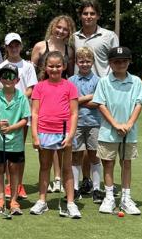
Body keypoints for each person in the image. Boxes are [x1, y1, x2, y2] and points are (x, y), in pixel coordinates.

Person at [92, 47, 142, 215]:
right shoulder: (104, 81)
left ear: (129, 62)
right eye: (116, 61)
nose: (120, 64)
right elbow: (101, 105)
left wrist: (129, 123)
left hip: (129, 131)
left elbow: (139, 104)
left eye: (124, 61)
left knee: (126, 163)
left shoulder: (136, 81)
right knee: (108, 163)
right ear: (110, 63)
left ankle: (126, 198)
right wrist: (116, 124)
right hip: (109, 131)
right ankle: (109, 197)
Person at [29, 52, 81, 218]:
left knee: (67, 169)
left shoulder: (70, 86)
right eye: (51, 66)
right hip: (44, 132)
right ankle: (42, 201)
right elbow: (35, 113)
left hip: (64, 133)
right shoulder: (39, 87)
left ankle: (71, 202)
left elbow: (74, 113)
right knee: (45, 167)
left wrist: (71, 135)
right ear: (45, 67)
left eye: (58, 66)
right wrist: (35, 136)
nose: (54, 69)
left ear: (64, 66)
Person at [31, 15, 76, 193]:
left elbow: (70, 75)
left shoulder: (70, 50)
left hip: (62, 96)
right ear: (53, 27)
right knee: (46, 142)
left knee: (61, 138)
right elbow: (31, 71)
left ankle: (58, 178)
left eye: (65, 29)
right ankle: (49, 180)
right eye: (59, 27)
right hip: (42, 94)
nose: (61, 31)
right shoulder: (40, 46)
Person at [0, 32, 37, 199]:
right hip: (4, 115)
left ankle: (17, 185)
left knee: (18, 150)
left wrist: (18, 101)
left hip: (22, 113)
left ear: (21, 46)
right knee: (4, 152)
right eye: (11, 45)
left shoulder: (28, 66)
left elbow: (31, 88)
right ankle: (7, 186)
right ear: (6, 47)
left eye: (17, 44)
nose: (14, 48)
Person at [0, 63, 31, 216]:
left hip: (16, 141)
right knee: (0, 169)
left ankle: (13, 200)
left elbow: (25, 119)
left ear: (17, 79)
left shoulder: (22, 97)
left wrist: (12, 128)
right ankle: (0, 199)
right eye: (4, 76)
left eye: (11, 76)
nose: (7, 79)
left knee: (14, 170)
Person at [69, 47, 103, 203]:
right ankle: (74, 188)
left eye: (88, 61)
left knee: (94, 155)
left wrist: (78, 100)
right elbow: (70, 103)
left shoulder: (98, 81)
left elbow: (97, 102)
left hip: (94, 123)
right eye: (81, 61)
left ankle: (96, 189)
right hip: (76, 123)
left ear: (92, 62)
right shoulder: (71, 81)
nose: (84, 64)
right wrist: (88, 98)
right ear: (77, 62)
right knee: (75, 155)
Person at [73, 0, 119, 77]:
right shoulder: (73, 38)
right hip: (78, 86)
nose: (89, 16)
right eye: (85, 13)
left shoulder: (109, 36)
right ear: (80, 16)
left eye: (92, 13)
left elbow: (116, 62)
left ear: (98, 16)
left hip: (102, 86)